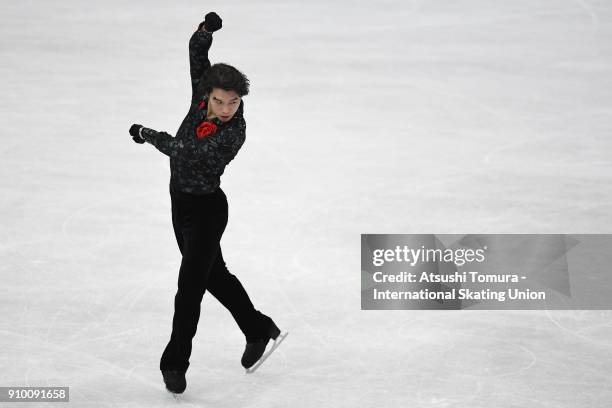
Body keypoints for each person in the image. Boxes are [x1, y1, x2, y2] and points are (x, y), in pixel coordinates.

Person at [128, 12, 281, 394]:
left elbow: (183, 151)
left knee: (190, 287)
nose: (227, 108)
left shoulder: (233, 134)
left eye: (233, 102)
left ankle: (175, 362)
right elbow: (197, 53)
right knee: (215, 277)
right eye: (220, 100)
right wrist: (206, 31)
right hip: (180, 204)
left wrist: (146, 133)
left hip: (207, 212)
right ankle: (258, 326)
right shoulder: (202, 94)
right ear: (208, 94)